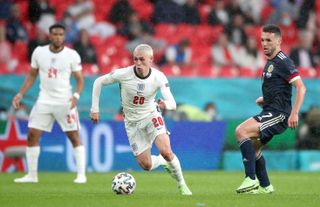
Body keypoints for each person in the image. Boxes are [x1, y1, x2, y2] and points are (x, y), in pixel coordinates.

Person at [90, 44, 192, 195]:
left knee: (166, 151)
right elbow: (98, 82)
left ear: (151, 59)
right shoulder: (124, 74)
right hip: (132, 123)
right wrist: (94, 108)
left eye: (142, 60)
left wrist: (165, 104)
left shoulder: (158, 77)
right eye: (135, 59)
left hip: (152, 115)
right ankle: (162, 162)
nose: (138, 63)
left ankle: (182, 185)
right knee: (146, 165)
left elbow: (173, 103)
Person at [235, 24, 306, 194]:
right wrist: (265, 100)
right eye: (262, 40)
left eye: (269, 40)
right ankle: (266, 186)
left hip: (279, 115)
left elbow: (301, 88)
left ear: (279, 41)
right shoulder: (271, 62)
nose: (264, 43)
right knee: (254, 148)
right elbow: (280, 89)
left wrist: (294, 113)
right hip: (270, 110)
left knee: (240, 131)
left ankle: (250, 179)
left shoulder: (283, 62)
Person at [12, 24, 86, 184]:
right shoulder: (39, 52)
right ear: (49, 35)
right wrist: (20, 94)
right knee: (32, 135)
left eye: (60, 34)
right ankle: (32, 175)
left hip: (65, 102)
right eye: (55, 34)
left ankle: (81, 175)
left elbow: (80, 79)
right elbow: (32, 75)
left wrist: (76, 96)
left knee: (74, 136)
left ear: (64, 36)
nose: (58, 37)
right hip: (44, 100)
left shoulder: (72, 55)